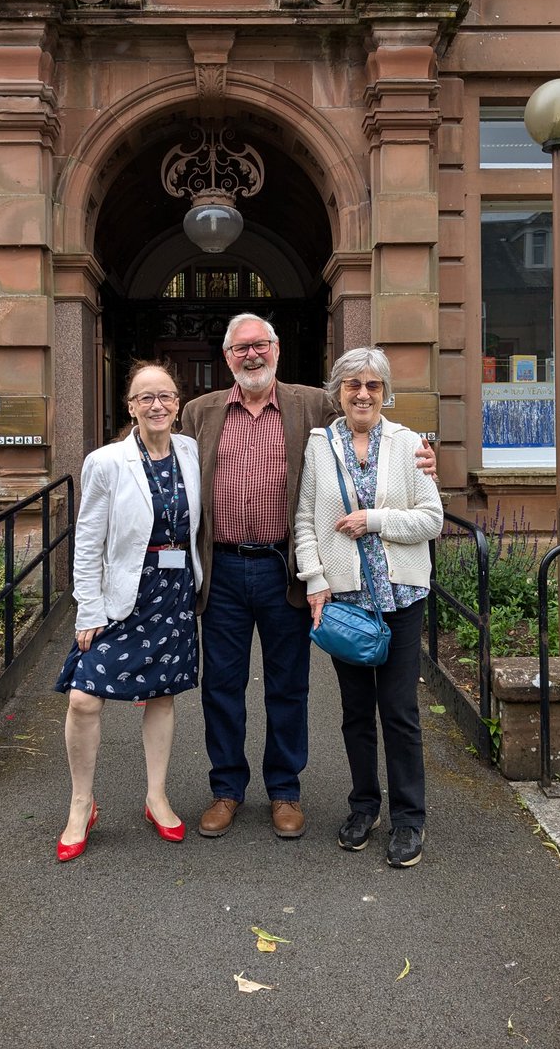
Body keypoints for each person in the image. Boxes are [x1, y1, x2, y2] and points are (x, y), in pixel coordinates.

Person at [181, 315, 436, 840]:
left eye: (261, 345)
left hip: (284, 567)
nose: (252, 355)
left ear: (276, 350)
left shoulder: (309, 404)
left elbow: (370, 415)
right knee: (222, 684)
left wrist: (426, 454)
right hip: (224, 567)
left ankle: (284, 791)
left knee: (288, 685)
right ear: (227, 356)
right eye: (240, 348)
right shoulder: (198, 412)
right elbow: (167, 463)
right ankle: (226, 789)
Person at [295, 346, 444, 868]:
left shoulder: (409, 444)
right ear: (338, 392)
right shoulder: (320, 445)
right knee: (356, 713)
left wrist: (373, 520)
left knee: (399, 712)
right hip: (346, 602)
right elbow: (306, 521)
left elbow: (431, 520)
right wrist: (315, 581)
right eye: (353, 385)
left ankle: (409, 819)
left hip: (402, 599)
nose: (363, 394)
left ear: (385, 392)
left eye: (373, 385)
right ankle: (364, 806)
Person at [53, 360, 202, 860]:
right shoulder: (107, 461)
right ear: (131, 406)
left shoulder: (192, 452)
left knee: (162, 695)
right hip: (124, 595)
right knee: (83, 698)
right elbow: (88, 540)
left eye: (165, 396)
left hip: (175, 590)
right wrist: (88, 610)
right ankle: (81, 803)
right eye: (146, 398)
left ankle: (156, 796)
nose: (156, 405)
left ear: (177, 403)